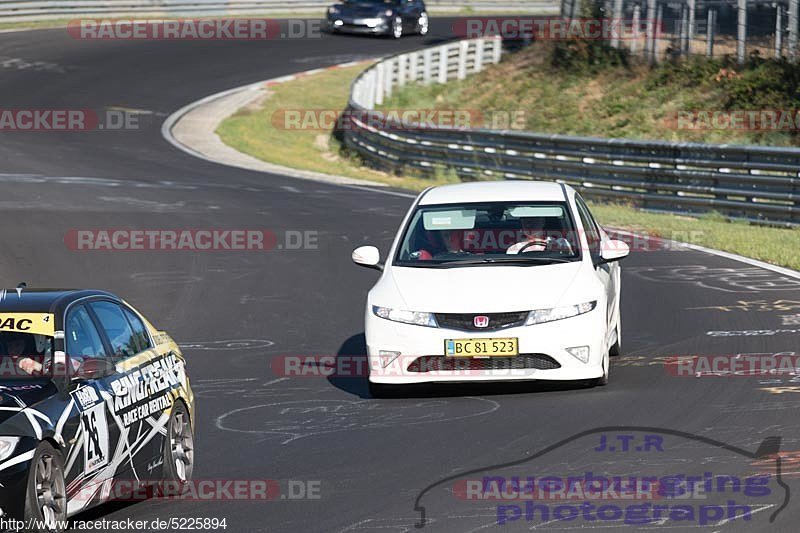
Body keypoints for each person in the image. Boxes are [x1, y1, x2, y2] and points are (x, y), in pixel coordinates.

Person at [506, 216, 574, 255]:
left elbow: (571, 262)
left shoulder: (561, 242)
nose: (529, 224)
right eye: (525, 220)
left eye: (533, 220)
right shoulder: (514, 248)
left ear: (543, 221)